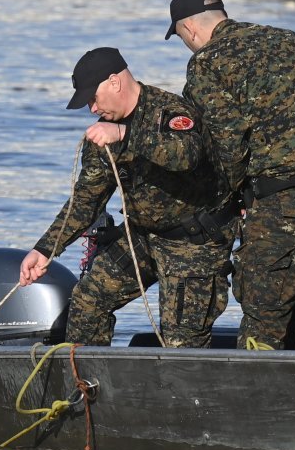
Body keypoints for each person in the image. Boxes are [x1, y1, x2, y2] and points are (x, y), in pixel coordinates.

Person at [165, 0, 295, 351]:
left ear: (189, 29)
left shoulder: (207, 63)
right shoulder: (291, 40)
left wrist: (222, 202)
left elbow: (227, 142)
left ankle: (256, 405)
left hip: (280, 211)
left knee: (262, 325)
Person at [19, 47, 238, 348]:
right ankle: (87, 388)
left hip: (193, 241)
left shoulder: (172, 113)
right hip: (143, 237)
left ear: (114, 82)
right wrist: (45, 249)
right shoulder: (103, 134)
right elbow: (86, 200)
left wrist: (125, 134)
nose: (92, 109)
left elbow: (186, 155)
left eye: (93, 99)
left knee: (180, 342)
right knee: (88, 300)